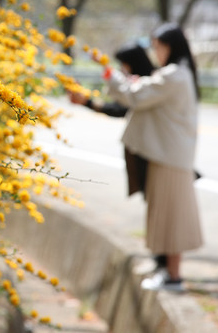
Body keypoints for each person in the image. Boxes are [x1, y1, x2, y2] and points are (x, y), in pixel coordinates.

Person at [103, 23, 203, 290]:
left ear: (169, 46)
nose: (155, 52)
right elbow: (144, 91)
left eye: (157, 46)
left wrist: (111, 75)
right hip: (170, 155)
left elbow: (134, 96)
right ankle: (168, 272)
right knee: (170, 215)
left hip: (169, 156)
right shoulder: (177, 74)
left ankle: (173, 276)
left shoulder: (173, 75)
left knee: (172, 217)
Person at [68, 43, 169, 270]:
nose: (122, 70)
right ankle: (159, 260)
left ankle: (163, 263)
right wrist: (87, 102)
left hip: (157, 156)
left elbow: (123, 105)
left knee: (160, 210)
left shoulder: (151, 85)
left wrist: (104, 71)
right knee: (154, 207)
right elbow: (121, 108)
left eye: (123, 65)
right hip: (146, 154)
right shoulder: (144, 86)